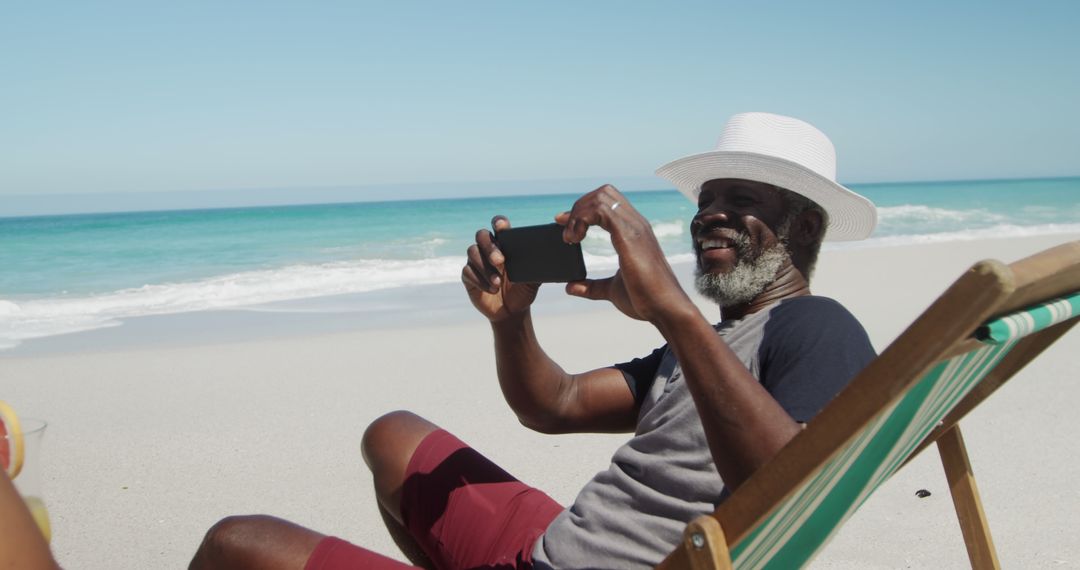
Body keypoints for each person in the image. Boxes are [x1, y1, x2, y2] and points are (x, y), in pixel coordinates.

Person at [189, 112, 878, 570]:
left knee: (236, 544)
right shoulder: (708, 345)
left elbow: (790, 488)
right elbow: (555, 404)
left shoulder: (816, 328)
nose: (711, 216)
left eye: (744, 201)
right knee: (393, 435)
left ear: (805, 231)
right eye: (706, 201)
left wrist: (672, 311)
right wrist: (510, 319)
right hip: (557, 546)